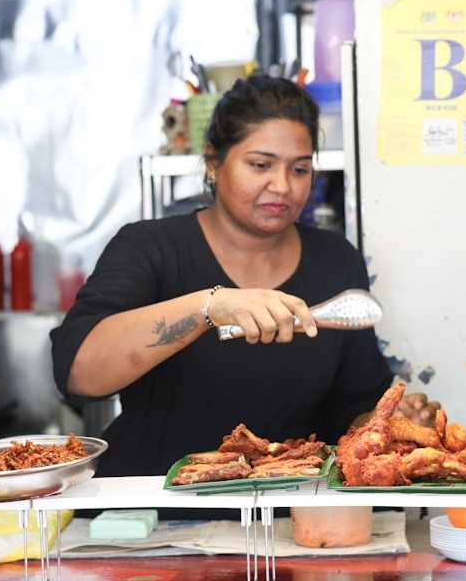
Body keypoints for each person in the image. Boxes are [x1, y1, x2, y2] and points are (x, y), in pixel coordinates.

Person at [51, 74, 434, 477]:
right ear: (213, 161)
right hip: (154, 513)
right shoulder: (151, 248)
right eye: (260, 165)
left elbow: (350, 408)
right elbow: (79, 373)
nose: (282, 186)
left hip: (287, 513)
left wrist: (389, 424)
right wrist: (210, 306)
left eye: (300, 169)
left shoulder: (335, 260)